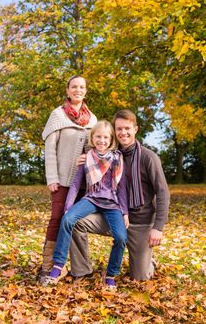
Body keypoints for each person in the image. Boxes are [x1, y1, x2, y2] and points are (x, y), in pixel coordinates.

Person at [69, 109, 170, 281]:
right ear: (114, 131)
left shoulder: (148, 158)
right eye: (119, 129)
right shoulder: (108, 155)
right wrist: (85, 161)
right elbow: (92, 179)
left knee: (140, 276)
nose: (123, 132)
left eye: (127, 128)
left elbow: (163, 192)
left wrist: (158, 228)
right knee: (75, 221)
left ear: (135, 129)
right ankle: (82, 270)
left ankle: (148, 262)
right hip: (113, 216)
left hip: (140, 223)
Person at [44, 120, 128, 288]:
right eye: (98, 137)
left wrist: (125, 212)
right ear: (92, 138)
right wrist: (68, 207)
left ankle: (111, 275)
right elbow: (76, 184)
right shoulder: (87, 158)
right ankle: (57, 266)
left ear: (111, 139)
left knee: (120, 237)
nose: (101, 141)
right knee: (67, 220)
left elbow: (122, 188)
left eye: (105, 137)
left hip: (112, 203)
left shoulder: (117, 158)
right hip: (91, 198)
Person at [39, 75, 97, 284]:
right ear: (67, 90)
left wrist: (89, 157)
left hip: (85, 182)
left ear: (85, 91)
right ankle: (48, 267)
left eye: (82, 87)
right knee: (57, 219)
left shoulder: (92, 119)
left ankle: (80, 267)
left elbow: (98, 148)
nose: (78, 90)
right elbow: (50, 150)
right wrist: (52, 177)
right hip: (62, 179)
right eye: (74, 87)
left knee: (77, 222)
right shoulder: (58, 115)